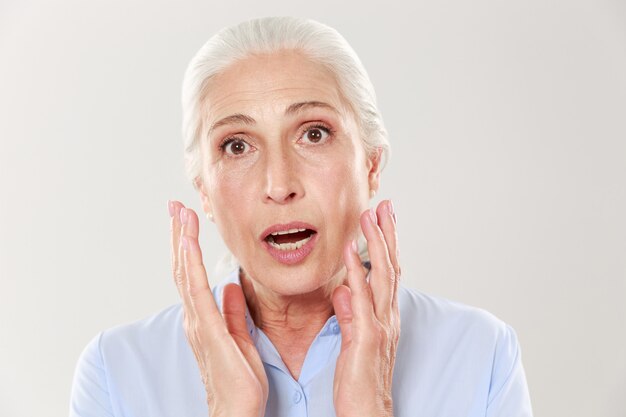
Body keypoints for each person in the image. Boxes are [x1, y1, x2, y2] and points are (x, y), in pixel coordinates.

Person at [70, 16, 533, 417]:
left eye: (313, 134)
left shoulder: (480, 353)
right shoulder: (117, 370)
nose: (279, 184)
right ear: (204, 192)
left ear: (370, 165)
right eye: (237, 145)